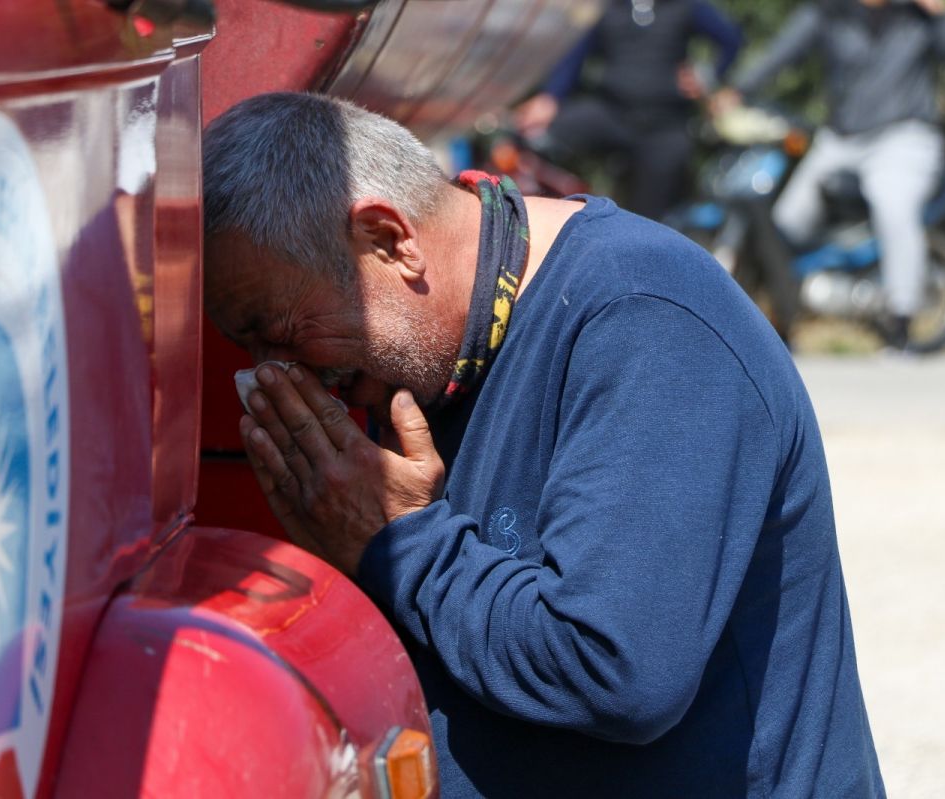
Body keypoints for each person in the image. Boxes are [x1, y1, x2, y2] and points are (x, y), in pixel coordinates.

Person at [202, 91, 883, 797]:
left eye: (276, 328)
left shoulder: (646, 319)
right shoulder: (415, 360)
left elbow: (614, 670)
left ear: (389, 240)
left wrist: (399, 541)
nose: (274, 371)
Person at [713, 0, 945, 350]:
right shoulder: (829, 13)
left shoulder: (915, 16)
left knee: (893, 206)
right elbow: (781, 53)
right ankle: (788, 311)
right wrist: (737, 90)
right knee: (787, 221)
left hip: (904, 136)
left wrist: (938, 13)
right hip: (841, 139)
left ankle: (900, 319)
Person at [514, 0, 744, 220]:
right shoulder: (607, 6)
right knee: (534, 137)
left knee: (649, 216)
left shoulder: (685, 5)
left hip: (664, 124)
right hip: (612, 112)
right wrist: (551, 97)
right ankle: (548, 214)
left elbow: (731, 40)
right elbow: (575, 55)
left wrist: (707, 75)